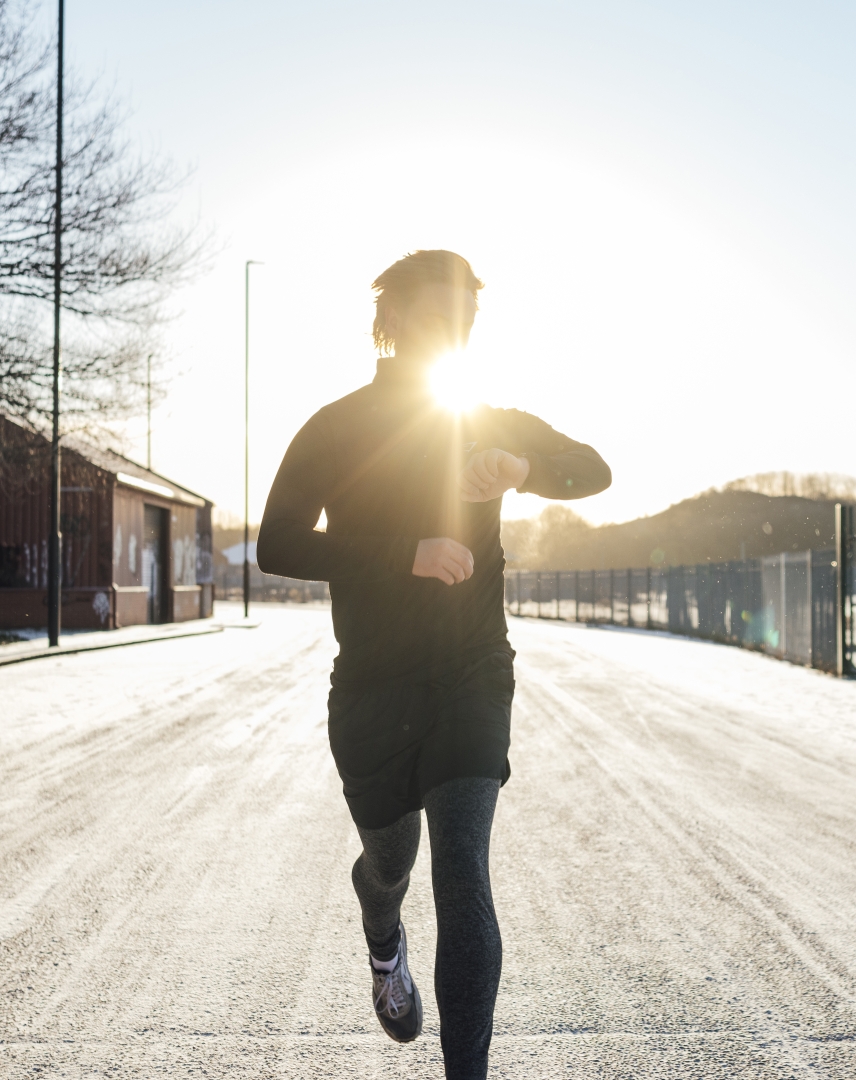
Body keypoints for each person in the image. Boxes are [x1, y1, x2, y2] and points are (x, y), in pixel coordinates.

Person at [257, 250, 610, 1079]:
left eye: (466, 319)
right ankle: (383, 936)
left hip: (470, 675)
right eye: (435, 315)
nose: (452, 331)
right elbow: (275, 544)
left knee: (461, 872)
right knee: (391, 866)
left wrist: (524, 471)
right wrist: (403, 553)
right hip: (374, 687)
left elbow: (593, 469)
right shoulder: (336, 426)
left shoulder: (485, 420)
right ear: (393, 322)